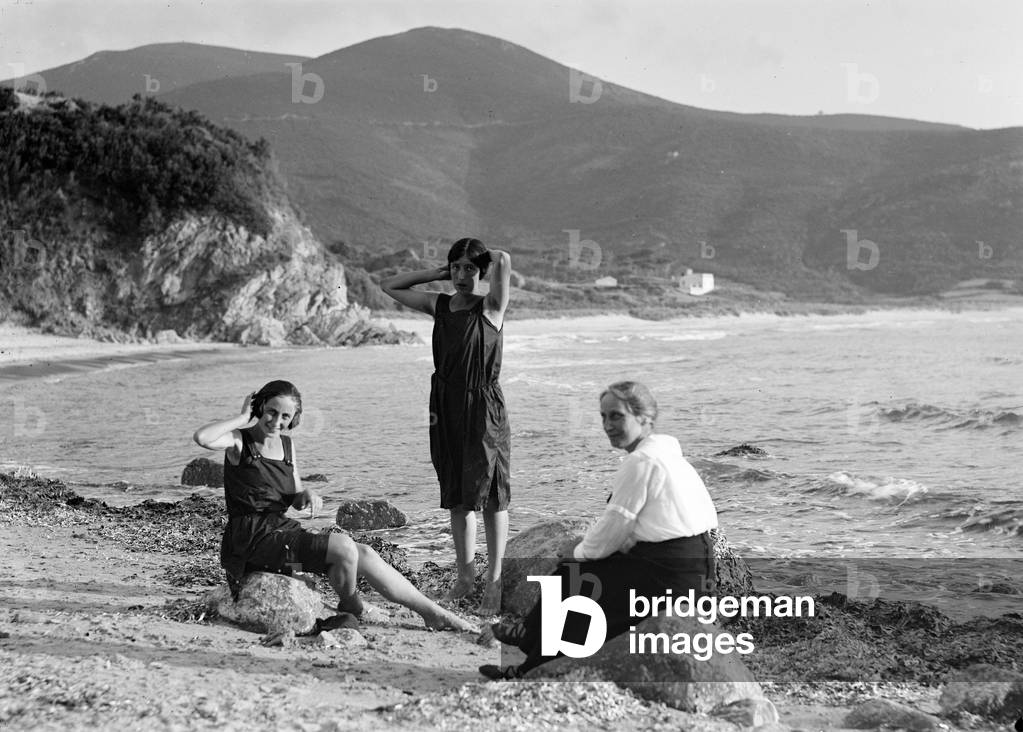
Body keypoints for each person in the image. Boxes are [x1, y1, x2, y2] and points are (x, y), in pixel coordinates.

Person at [479, 381, 719, 679]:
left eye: (617, 416)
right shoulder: (669, 456)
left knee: (575, 576)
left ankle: (529, 659)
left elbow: (615, 527)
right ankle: (530, 642)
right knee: (579, 576)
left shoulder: (642, 461)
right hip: (695, 571)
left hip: (670, 575)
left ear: (645, 418)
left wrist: (578, 550)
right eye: (604, 417)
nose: (608, 425)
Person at [192, 380, 475, 632]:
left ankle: (433, 613)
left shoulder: (287, 447)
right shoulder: (240, 442)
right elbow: (202, 438)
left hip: (282, 542)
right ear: (260, 407)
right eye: (271, 411)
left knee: (362, 552)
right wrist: (242, 418)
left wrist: (307, 495)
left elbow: (294, 494)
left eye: (285, 416)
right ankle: (351, 605)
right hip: (251, 544)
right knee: (342, 547)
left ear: (294, 419)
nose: (277, 420)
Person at [380, 239, 512, 614]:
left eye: (470, 269)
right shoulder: (439, 305)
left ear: (481, 271)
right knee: (457, 495)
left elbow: (503, 259)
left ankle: (495, 582)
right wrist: (437, 273)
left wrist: (483, 260)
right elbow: (390, 286)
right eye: (456, 268)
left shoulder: (491, 307)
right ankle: (465, 577)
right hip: (445, 405)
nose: (462, 276)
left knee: (490, 496)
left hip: (484, 407)